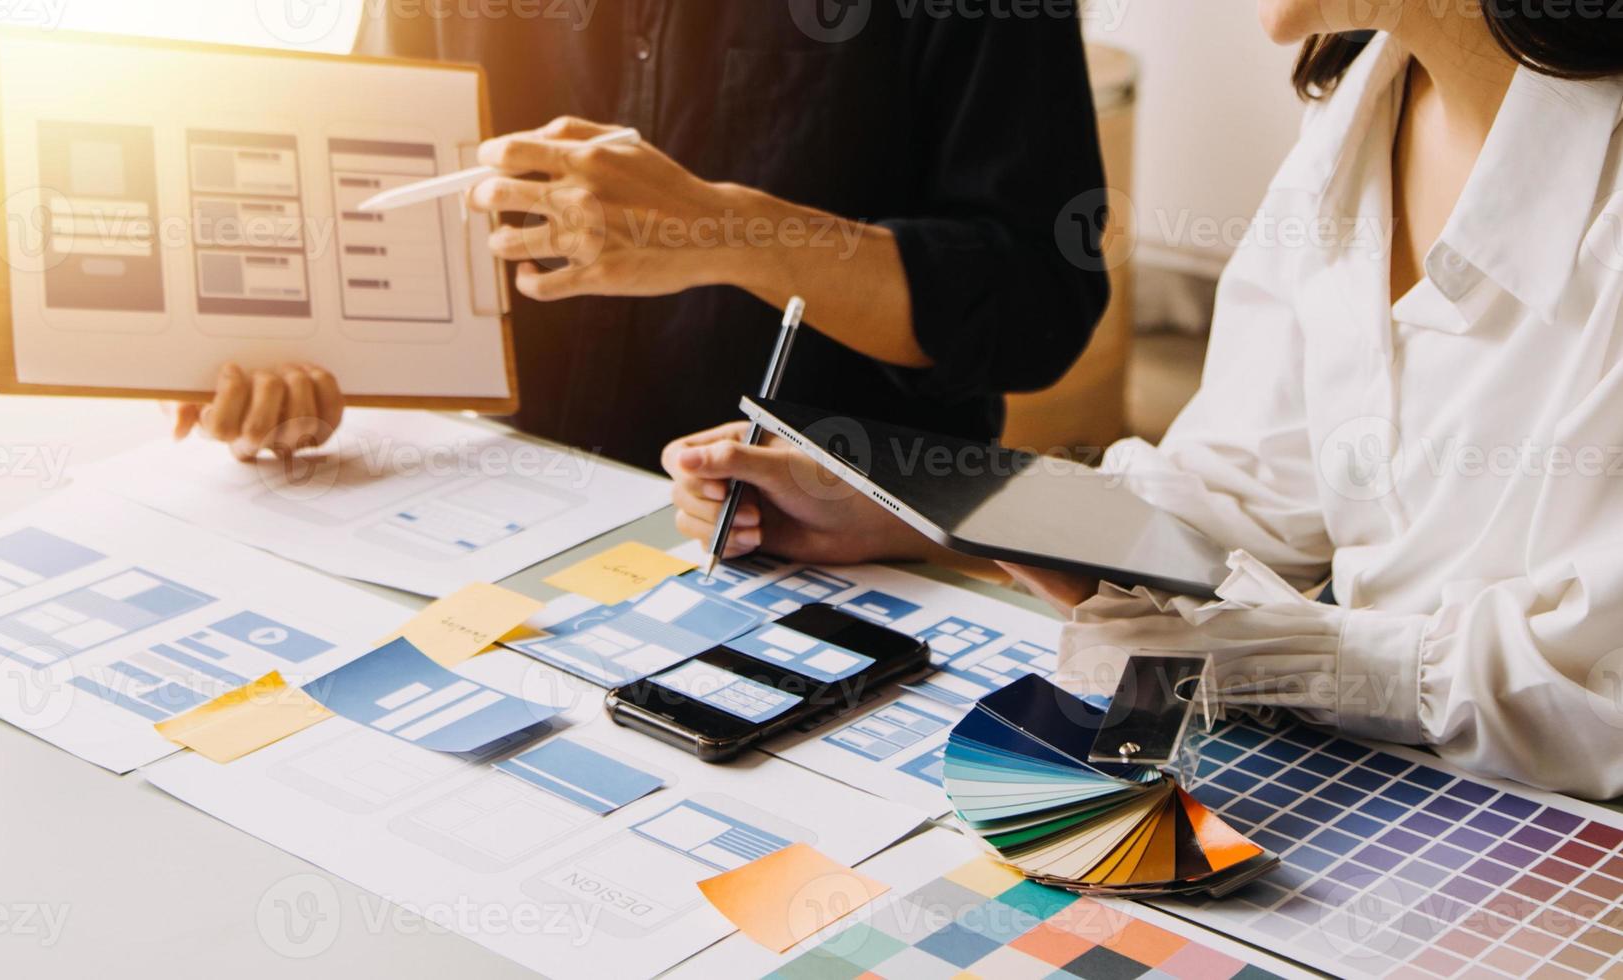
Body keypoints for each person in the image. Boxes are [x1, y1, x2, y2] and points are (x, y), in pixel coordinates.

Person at [665, 3, 1623, 799]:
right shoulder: (1366, 103)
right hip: (1409, 795)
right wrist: (924, 511)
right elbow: (1237, 495)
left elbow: (1594, 698)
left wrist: (1254, 656)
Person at [174, 1, 1112, 467]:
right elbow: (383, 198)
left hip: (827, 539)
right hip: (498, 501)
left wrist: (730, 231)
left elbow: (1036, 309)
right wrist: (305, 366)